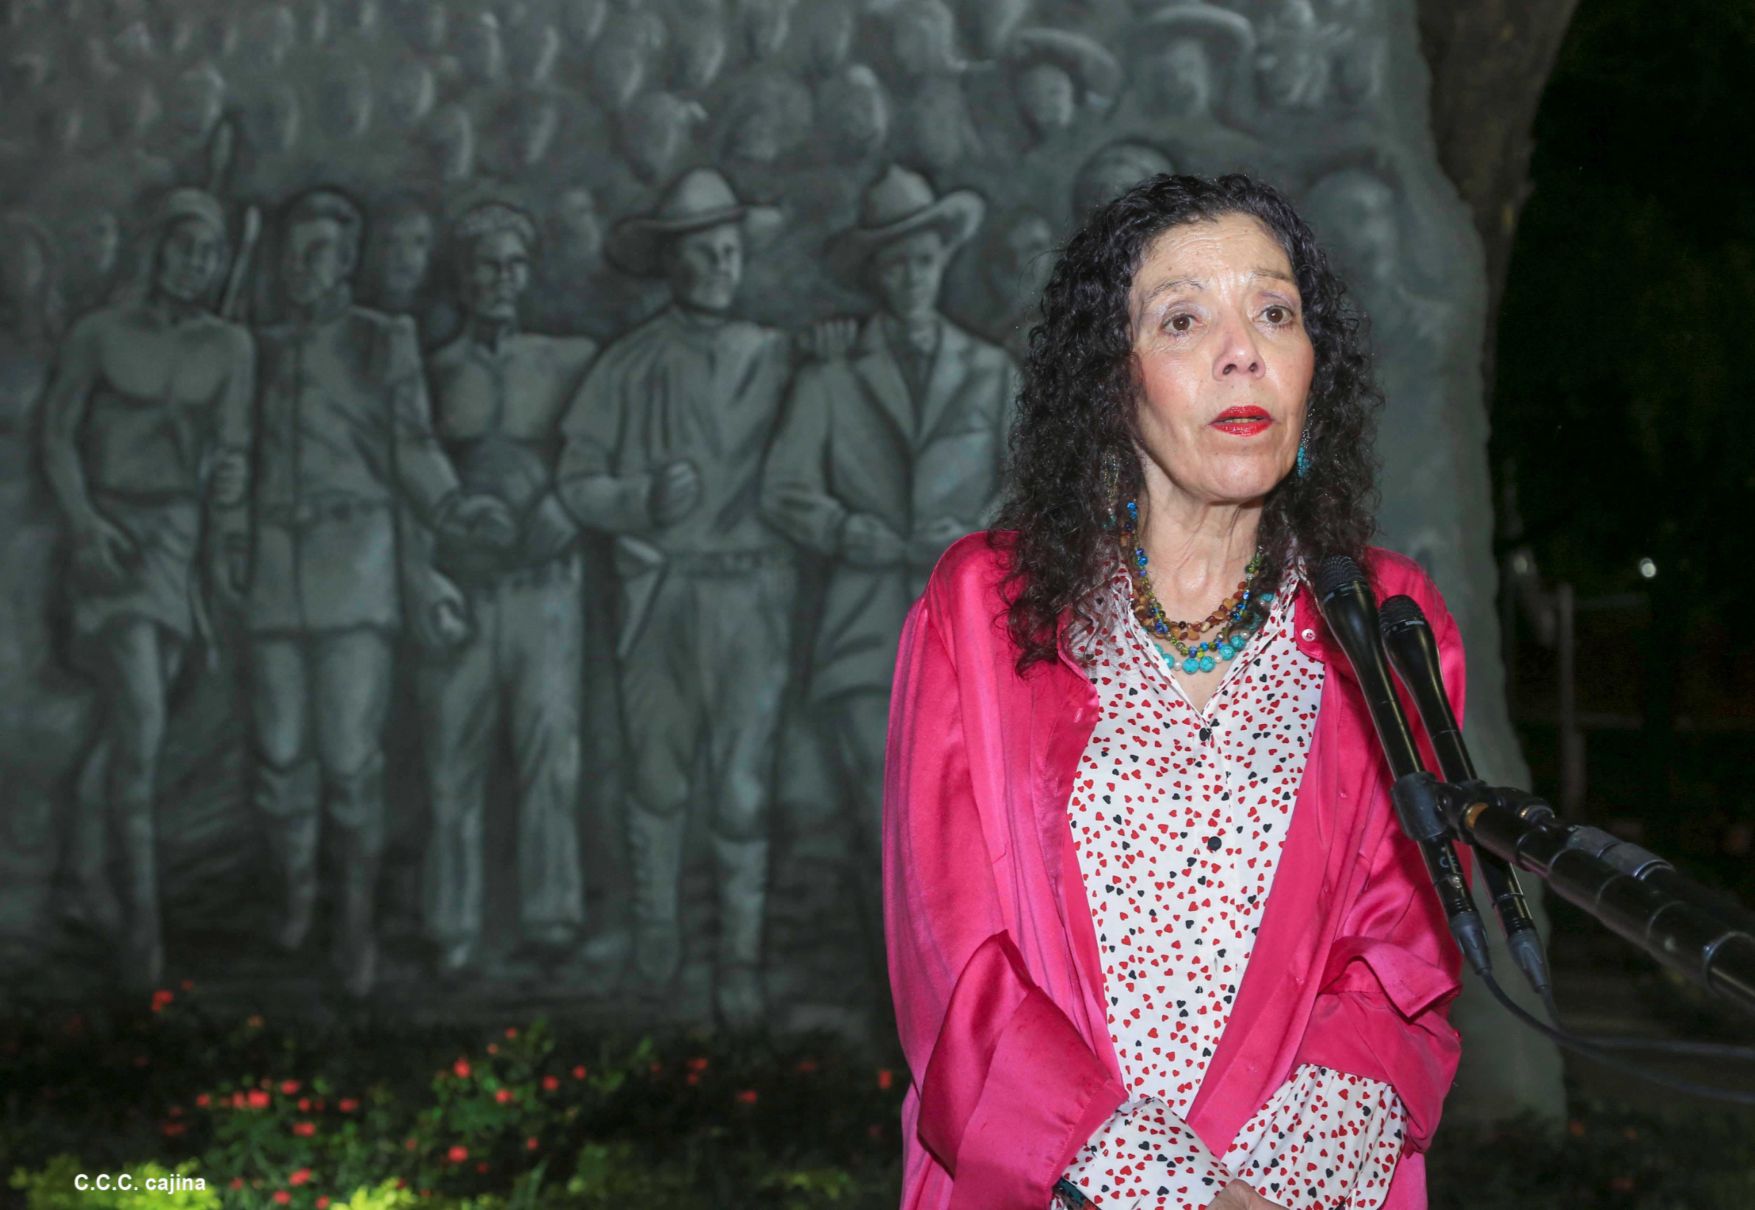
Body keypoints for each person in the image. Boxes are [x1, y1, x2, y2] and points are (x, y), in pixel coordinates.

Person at [884, 174, 1464, 1210]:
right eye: (1183, 317)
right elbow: (955, 963)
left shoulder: (1389, 622)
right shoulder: (983, 609)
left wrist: (1276, 1195)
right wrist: (1174, 1191)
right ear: (1114, 382)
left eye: (1275, 312)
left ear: (1312, 368)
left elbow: (1403, 958)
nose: (1242, 350)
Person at [240, 187, 513, 998]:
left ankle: (352, 921)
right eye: (295, 251)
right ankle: (297, 888)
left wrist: (452, 505)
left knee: (351, 759)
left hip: (354, 567)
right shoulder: (256, 345)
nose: (306, 267)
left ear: (347, 260)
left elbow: (410, 445)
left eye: (323, 251)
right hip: (271, 570)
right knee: (283, 756)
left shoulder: (377, 339)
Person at [763, 164, 1014, 983]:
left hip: (971, 635)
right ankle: (900, 1005)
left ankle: (975, 1006)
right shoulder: (830, 378)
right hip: (864, 629)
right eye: (894, 264)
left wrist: (975, 533)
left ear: (943, 260)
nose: (909, 277)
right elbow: (786, 490)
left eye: (923, 260)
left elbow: (1028, 490)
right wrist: (847, 530)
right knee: (890, 831)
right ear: (876, 273)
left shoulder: (989, 373)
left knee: (973, 829)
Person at [556, 167, 794, 1030]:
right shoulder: (629, 365)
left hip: (751, 596)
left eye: (730, 251)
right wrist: (636, 500)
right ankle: (658, 947)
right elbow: (577, 478)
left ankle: (738, 961)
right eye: (702, 253)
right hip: (660, 595)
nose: (719, 266)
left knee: (739, 787)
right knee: (657, 779)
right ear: (673, 264)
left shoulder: (777, 358)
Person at [38, 189, 254, 989]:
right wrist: (85, 525)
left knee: (136, 729)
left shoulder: (231, 347)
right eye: (183, 247)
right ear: (156, 248)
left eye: (210, 252)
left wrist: (227, 498)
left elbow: (232, 449)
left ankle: (82, 873)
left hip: (179, 542)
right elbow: (57, 435)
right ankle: (143, 927)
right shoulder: (99, 334)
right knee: (143, 719)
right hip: (113, 541)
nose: (195, 264)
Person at [410, 201, 597, 976]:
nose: (501, 280)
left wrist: (567, 504)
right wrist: (426, 574)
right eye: (487, 265)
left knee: (549, 752)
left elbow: (599, 452)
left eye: (514, 265)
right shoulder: (434, 369)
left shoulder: (566, 360)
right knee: (453, 760)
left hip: (546, 584)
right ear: (463, 276)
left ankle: (550, 916)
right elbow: (406, 473)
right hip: (465, 586)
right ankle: (451, 924)